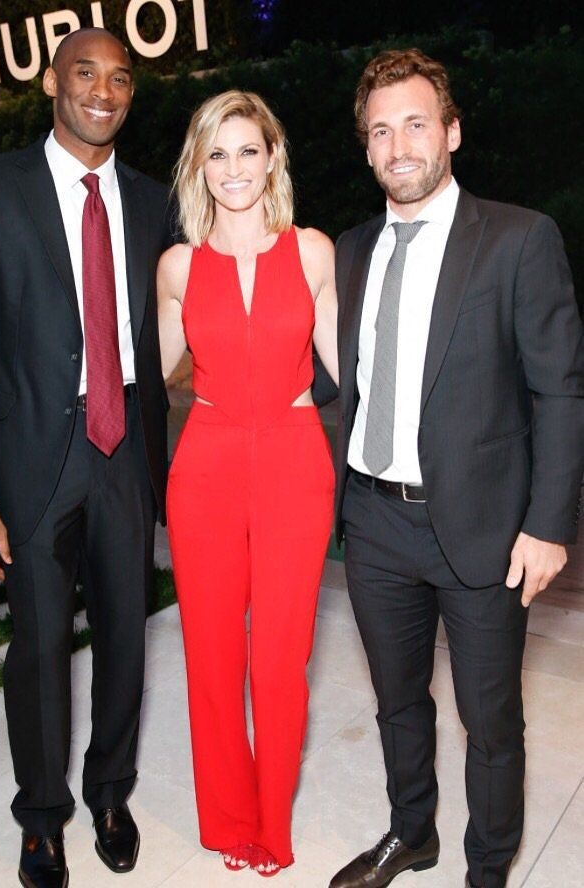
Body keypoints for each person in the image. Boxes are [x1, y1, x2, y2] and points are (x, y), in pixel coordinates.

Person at [321, 49, 584, 888]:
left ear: (452, 132)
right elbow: (334, 380)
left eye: (415, 124)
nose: (398, 145)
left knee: (489, 718)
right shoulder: (349, 250)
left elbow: (559, 390)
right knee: (397, 701)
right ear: (365, 147)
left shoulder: (516, 238)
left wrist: (547, 525)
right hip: (373, 521)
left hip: (482, 527)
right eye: (379, 131)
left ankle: (487, 867)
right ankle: (412, 834)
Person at [0, 28, 175, 888]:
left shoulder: (153, 201)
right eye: (85, 73)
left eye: (120, 78)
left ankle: (110, 794)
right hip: (33, 460)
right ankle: (41, 819)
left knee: (126, 642)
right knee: (38, 650)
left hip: (127, 454)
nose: (103, 91)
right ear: (50, 82)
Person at [157, 90, 338, 876]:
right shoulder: (177, 266)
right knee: (211, 654)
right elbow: (140, 372)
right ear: (199, 165)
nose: (233, 168)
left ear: (272, 158)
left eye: (247, 151)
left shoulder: (312, 251)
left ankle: (270, 824)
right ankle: (228, 820)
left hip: (295, 463)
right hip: (205, 466)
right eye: (217, 153)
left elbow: (356, 370)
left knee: (279, 660)